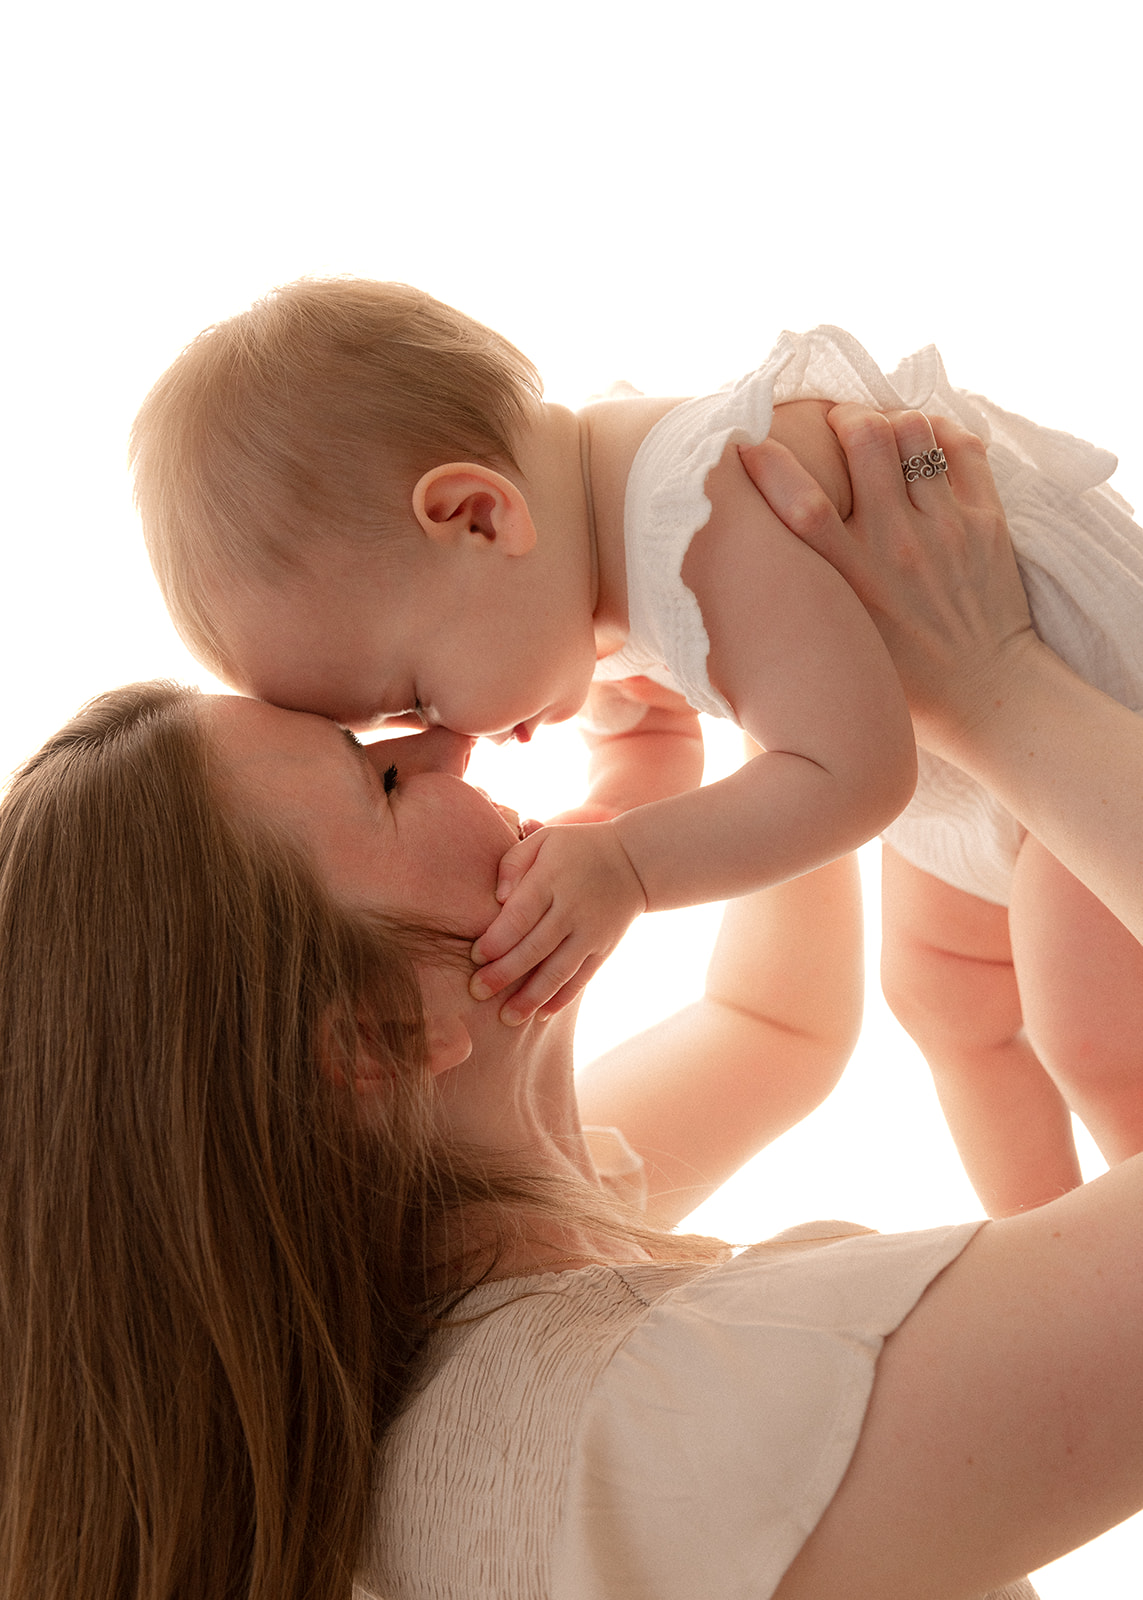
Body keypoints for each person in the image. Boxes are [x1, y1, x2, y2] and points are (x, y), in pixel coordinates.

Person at [7, 410, 1143, 1598]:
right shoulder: (652, 1421)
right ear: (381, 1036)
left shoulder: (448, 1333)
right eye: (380, 775)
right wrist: (992, 682)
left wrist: (747, 691)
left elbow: (776, 1028)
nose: (449, 745)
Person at [130, 279, 1143, 1219]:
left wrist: (628, 867)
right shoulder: (618, 558)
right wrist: (620, 794)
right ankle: (1047, 1237)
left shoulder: (710, 512)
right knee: (942, 995)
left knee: (1090, 1032)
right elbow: (695, 742)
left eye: (416, 696)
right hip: (987, 768)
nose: (455, 743)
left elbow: (856, 775)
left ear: (479, 515)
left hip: (1094, 714)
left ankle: (1103, 1284)